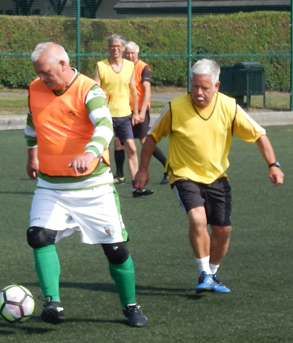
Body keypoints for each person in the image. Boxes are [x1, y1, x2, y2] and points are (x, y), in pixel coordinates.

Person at [135, 59, 284, 293]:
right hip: (183, 174)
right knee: (197, 219)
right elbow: (152, 137)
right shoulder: (175, 107)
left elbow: (259, 135)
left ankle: (212, 275)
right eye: (194, 86)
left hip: (217, 176)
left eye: (205, 88)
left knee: (223, 231)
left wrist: (273, 164)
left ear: (217, 86)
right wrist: (143, 170)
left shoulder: (230, 107)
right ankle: (204, 272)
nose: (199, 93)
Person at [26, 42, 147, 327]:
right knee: (37, 236)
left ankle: (130, 305)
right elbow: (32, 122)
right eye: (39, 74)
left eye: (46, 73)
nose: (42, 79)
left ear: (64, 64)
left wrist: (91, 152)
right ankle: (52, 303)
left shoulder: (88, 90)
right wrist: (32, 155)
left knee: (116, 250)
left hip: (93, 188)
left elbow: (105, 125)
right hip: (51, 187)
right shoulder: (35, 88)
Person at [93, 34, 153, 197]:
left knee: (132, 148)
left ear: (123, 48)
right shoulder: (100, 66)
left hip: (125, 115)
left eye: (118, 46)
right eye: (112, 46)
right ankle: (97, 184)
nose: (115, 49)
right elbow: (95, 91)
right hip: (106, 116)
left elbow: (133, 90)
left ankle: (136, 187)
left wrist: (135, 113)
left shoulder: (129, 66)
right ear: (108, 48)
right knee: (102, 149)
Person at [124, 41, 169, 185]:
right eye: (128, 53)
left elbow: (147, 91)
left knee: (145, 141)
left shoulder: (143, 68)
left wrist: (142, 112)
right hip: (125, 110)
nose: (130, 55)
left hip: (139, 110)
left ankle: (169, 167)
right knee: (120, 142)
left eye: (132, 53)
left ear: (137, 53)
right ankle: (119, 176)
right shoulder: (123, 67)